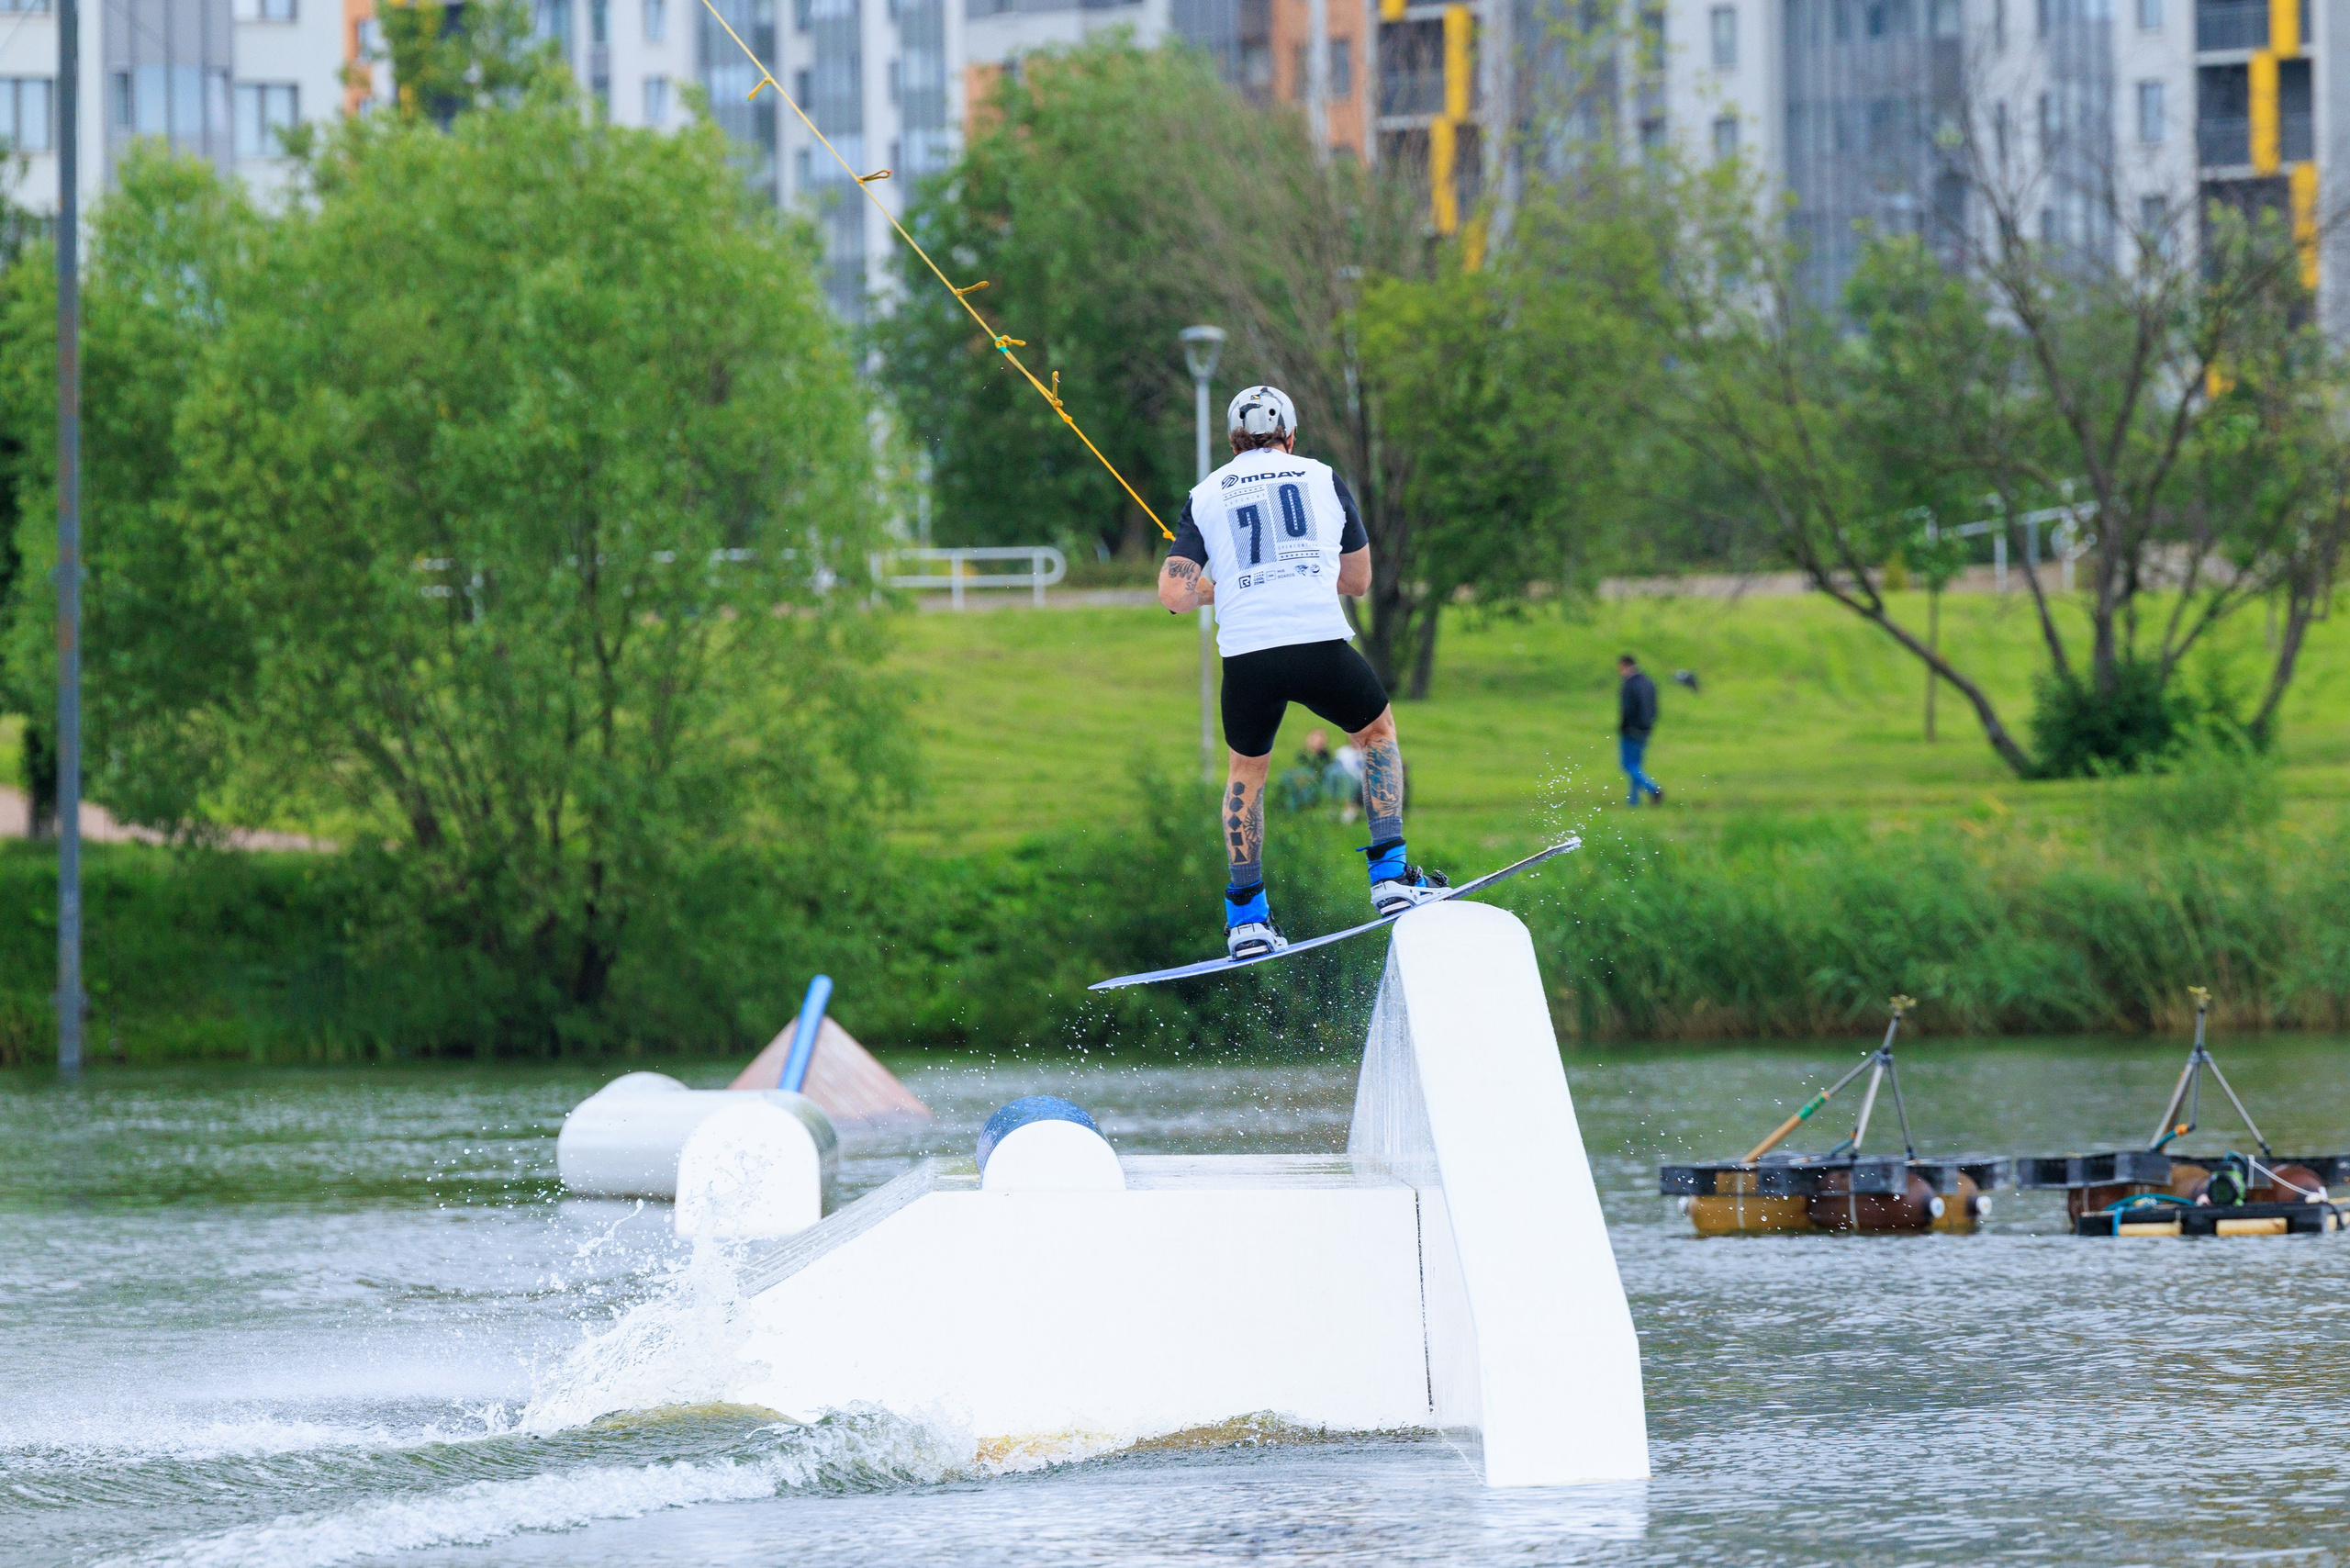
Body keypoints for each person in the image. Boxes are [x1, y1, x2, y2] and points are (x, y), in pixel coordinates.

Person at [1158, 385, 1447, 958]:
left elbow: (1173, 594)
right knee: (1376, 734)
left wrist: (1227, 586)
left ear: (1234, 441)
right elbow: (1358, 580)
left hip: (1248, 656)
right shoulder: (1322, 476)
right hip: (1316, 642)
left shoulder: (1206, 492)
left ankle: (1247, 920)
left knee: (1247, 772)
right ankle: (1390, 878)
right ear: (1291, 438)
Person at [1617, 655, 1663, 806]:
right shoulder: (1648, 682)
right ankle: (1633, 800)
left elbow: (1627, 710)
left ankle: (1653, 789)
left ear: (1624, 666)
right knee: (1636, 765)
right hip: (1646, 729)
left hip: (1631, 730)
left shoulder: (1629, 685)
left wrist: (1624, 727)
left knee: (1628, 765)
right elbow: (1655, 706)